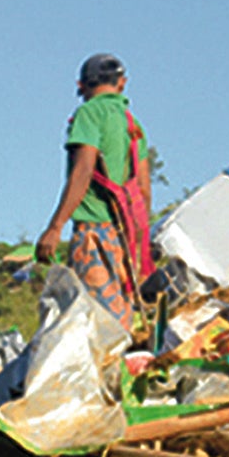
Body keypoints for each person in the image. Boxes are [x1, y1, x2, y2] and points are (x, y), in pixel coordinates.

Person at [35, 53, 153, 336]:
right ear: (122, 84)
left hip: (93, 236)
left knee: (94, 326)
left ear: (81, 86)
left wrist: (55, 227)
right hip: (124, 239)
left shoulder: (89, 114)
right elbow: (144, 191)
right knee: (119, 321)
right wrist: (137, 245)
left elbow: (84, 169)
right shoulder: (133, 126)